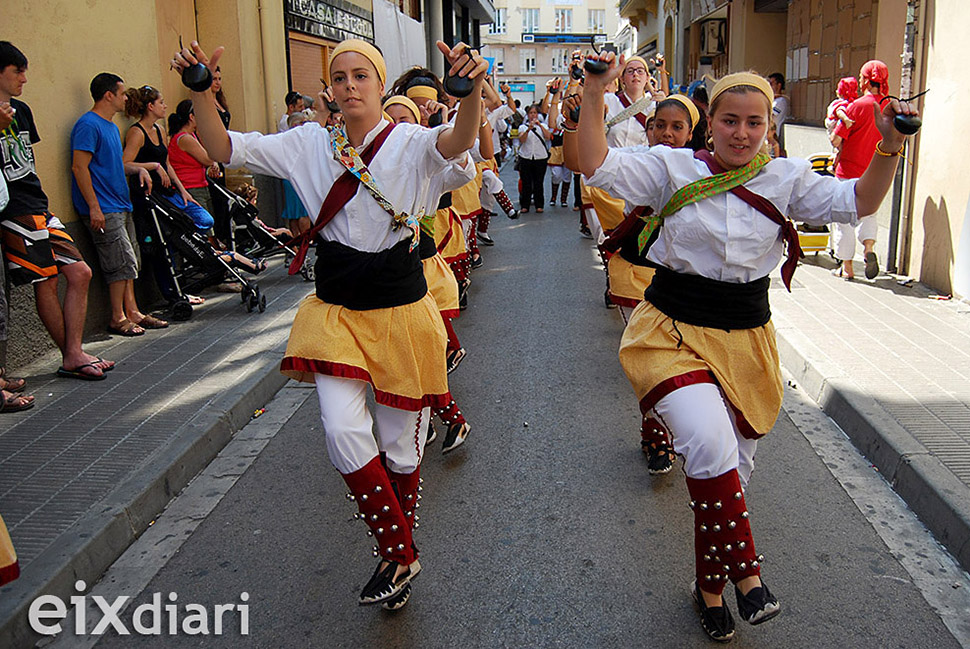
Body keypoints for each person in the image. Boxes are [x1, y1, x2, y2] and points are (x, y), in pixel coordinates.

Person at [578, 55, 916, 641]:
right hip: (672, 330)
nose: (741, 132)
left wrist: (887, 147)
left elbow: (859, 202)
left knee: (731, 472)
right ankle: (750, 576)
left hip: (748, 339)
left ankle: (708, 589)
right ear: (711, 121)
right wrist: (591, 93)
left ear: (769, 126)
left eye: (754, 122)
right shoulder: (673, 167)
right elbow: (594, 163)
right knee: (707, 442)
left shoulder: (785, 179)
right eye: (730, 120)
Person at [173, 36, 485, 608]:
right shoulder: (308, 143)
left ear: (379, 83)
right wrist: (199, 92)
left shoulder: (413, 141)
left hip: (401, 309)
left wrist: (468, 95)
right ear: (330, 89)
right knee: (342, 431)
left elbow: (459, 141)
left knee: (400, 448)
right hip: (336, 310)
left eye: (360, 75)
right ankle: (400, 552)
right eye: (339, 77)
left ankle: (396, 558)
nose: (348, 85)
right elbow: (221, 146)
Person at [0, 42, 115, 379]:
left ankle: (73, 352)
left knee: (80, 272)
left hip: (37, 202)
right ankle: (73, 356)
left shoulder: (21, 110)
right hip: (13, 210)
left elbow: (27, 163)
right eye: (17, 71)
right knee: (46, 280)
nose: (24, 78)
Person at [71, 73, 167, 337]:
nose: (127, 98)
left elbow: (117, 165)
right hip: (103, 206)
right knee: (118, 261)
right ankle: (117, 317)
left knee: (129, 260)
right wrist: (94, 207)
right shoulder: (88, 125)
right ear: (108, 95)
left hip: (121, 203)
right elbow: (79, 167)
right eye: (123, 93)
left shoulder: (111, 127)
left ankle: (133, 311)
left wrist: (141, 170)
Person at [830, 60, 889, 280]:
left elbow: (837, 140)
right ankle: (868, 248)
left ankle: (847, 267)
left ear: (864, 80)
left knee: (844, 218)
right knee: (869, 213)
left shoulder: (856, 106)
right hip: (876, 172)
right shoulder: (890, 107)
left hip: (848, 171)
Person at [517, 103, 550, 213]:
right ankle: (524, 205)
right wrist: (528, 129)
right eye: (531, 113)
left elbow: (548, 137)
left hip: (540, 157)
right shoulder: (522, 127)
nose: (533, 115)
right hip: (526, 156)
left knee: (538, 182)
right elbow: (522, 139)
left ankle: (539, 204)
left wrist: (539, 125)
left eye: (535, 113)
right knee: (526, 182)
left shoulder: (543, 126)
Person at [767, 73, 789, 154]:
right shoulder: (773, 100)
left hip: (772, 137)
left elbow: (769, 115)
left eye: (771, 84)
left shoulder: (780, 101)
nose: (770, 87)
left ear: (779, 85)